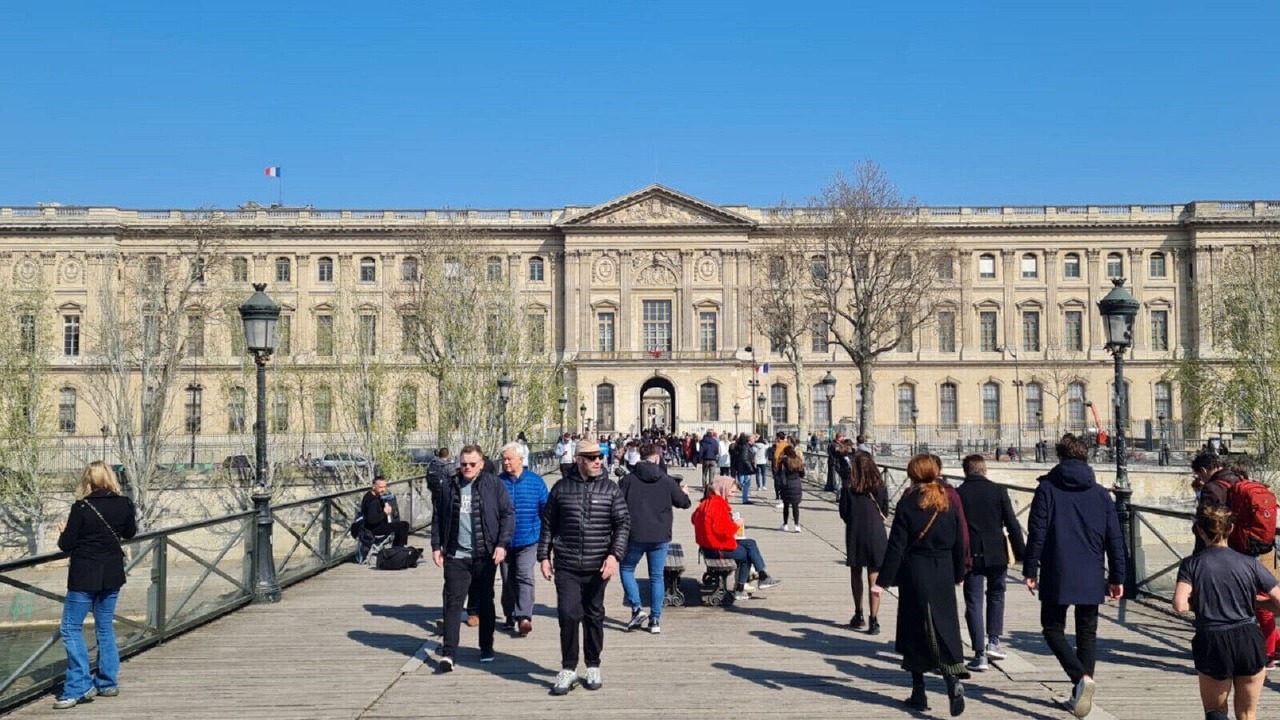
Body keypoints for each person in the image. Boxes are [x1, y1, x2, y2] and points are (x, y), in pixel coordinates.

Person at [1023, 434, 1126, 718]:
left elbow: (1037, 532)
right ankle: (1083, 683)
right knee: (1087, 633)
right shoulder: (1100, 494)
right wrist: (1118, 576)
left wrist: (1030, 569)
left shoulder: (1047, 489)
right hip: (1092, 570)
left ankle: (1080, 679)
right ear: (1086, 457)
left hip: (1058, 569)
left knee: (1052, 628)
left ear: (1060, 457)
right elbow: (1115, 538)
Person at [873, 454, 969, 716]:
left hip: (915, 571)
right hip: (943, 571)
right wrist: (960, 572)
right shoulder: (947, 500)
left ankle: (919, 691)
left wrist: (882, 581)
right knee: (946, 626)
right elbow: (960, 541)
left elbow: (896, 546)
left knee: (914, 630)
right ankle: (952, 680)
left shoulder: (907, 503)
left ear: (913, 474)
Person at [538, 440, 631, 695]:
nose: (597, 461)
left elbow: (623, 524)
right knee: (568, 614)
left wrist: (614, 556)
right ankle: (568, 667)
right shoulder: (560, 489)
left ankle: (593, 664)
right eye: (591, 458)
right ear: (579, 460)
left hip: (598, 563)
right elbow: (548, 524)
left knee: (593, 614)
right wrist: (543, 557)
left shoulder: (611, 490)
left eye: (599, 457)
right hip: (566, 562)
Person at [1174, 504, 1280, 720]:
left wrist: (1203, 601)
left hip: (1213, 639)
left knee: (1216, 711)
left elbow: (1180, 605)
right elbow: (1278, 600)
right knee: (1248, 714)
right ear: (1231, 529)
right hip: (1247, 637)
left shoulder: (1191, 565)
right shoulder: (1250, 563)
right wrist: (1257, 603)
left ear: (1200, 531)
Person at [54, 462, 138, 709]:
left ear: (88, 481)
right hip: (112, 575)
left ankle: (78, 685)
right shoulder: (124, 503)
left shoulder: (81, 507)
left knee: (70, 628)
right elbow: (130, 533)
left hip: (84, 576)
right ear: (111, 478)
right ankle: (107, 682)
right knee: (105, 628)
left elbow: (66, 545)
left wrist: (64, 531)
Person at [431, 445, 515, 671]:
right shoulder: (448, 484)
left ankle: (486, 646)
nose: (467, 468)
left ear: (481, 464)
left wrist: (501, 544)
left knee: (485, 602)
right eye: (463, 464)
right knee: (452, 604)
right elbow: (438, 515)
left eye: (472, 464)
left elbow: (507, 514)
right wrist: (436, 545)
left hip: (484, 555)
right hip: (455, 554)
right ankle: (449, 653)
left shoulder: (493, 484)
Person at [955, 454, 1025, 671]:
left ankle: (979, 654)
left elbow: (955, 528)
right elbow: (1013, 524)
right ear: (984, 470)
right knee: (997, 594)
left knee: (974, 602)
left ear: (966, 471)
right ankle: (994, 641)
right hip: (997, 552)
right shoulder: (999, 491)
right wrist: (1022, 554)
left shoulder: (958, 494)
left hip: (971, 553)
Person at [618, 443, 692, 634]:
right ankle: (655, 620)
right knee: (656, 577)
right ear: (658, 458)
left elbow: (617, 505)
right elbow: (684, 504)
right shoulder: (666, 481)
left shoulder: (628, 480)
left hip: (634, 534)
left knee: (627, 569)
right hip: (660, 535)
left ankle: (637, 608)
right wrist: (683, 493)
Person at [692, 476, 782, 601]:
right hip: (715, 548)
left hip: (708, 545)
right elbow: (723, 532)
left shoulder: (707, 502)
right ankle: (742, 588)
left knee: (750, 543)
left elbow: (694, 519)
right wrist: (736, 524)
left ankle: (762, 576)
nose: (733, 495)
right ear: (723, 489)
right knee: (746, 554)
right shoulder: (718, 505)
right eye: (732, 492)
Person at [498, 442, 549, 637]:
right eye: (503, 459)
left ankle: (524, 617)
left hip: (529, 539)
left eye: (509, 459)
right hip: (504, 541)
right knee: (508, 579)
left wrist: (548, 537)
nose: (506, 463)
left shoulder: (535, 482)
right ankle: (511, 615)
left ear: (520, 460)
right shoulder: (498, 482)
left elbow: (546, 509)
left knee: (525, 575)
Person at [840, 450, 889, 635]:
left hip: (855, 532)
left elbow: (843, 512)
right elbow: (885, 509)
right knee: (874, 576)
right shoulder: (880, 485)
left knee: (856, 572)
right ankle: (874, 619)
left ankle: (858, 613)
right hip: (876, 532)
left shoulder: (850, 486)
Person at [360, 475, 410, 547]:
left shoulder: (371, 495)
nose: (383, 489)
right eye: (380, 487)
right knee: (404, 526)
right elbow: (371, 520)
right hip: (374, 529)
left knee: (399, 525)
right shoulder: (372, 501)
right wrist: (385, 513)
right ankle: (397, 550)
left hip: (375, 525)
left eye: (385, 487)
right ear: (374, 486)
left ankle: (397, 549)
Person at [777, 445, 805, 532]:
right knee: (795, 506)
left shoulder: (785, 460)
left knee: (786, 506)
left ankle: (785, 524)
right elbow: (802, 474)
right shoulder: (798, 460)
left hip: (787, 484)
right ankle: (797, 525)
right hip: (796, 484)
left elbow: (779, 471)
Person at [730, 433, 755, 505]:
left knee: (745, 482)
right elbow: (744, 458)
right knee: (747, 483)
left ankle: (744, 496)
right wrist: (750, 467)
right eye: (753, 439)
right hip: (745, 468)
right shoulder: (746, 447)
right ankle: (745, 499)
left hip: (742, 467)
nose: (754, 440)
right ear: (749, 440)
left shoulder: (745, 446)